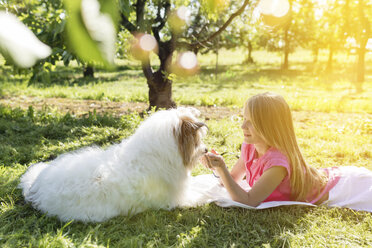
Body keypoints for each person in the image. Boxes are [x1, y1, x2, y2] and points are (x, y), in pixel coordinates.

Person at [200, 92, 372, 211]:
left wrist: (222, 169)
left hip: (345, 188)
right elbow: (233, 180)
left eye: (251, 122)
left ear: (270, 127)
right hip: (328, 176)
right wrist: (217, 167)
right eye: (244, 118)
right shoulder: (250, 145)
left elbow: (249, 201)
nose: (243, 126)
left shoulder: (277, 163)